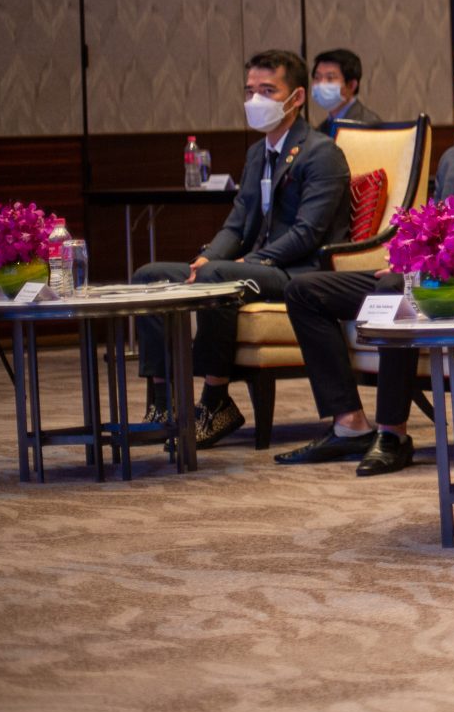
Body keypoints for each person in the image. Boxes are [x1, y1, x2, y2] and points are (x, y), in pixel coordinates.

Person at [275, 32, 454, 475]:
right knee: (305, 291)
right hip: (434, 279)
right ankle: (350, 423)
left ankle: (392, 434)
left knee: (398, 291)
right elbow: (430, 226)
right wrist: (409, 259)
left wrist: (431, 269)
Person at [133, 50, 352, 447]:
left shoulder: (322, 153)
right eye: (250, 91)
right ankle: (163, 406)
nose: (255, 100)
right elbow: (236, 223)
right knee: (150, 276)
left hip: (298, 272)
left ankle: (216, 401)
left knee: (219, 277)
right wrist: (208, 257)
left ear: (297, 97)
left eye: (268, 91)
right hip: (254, 265)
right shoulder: (257, 153)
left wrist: (247, 261)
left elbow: (308, 233)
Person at [310, 48, 379, 129]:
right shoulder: (321, 128)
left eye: (330, 78)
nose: (321, 84)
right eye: (317, 77)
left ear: (351, 85)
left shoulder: (369, 125)